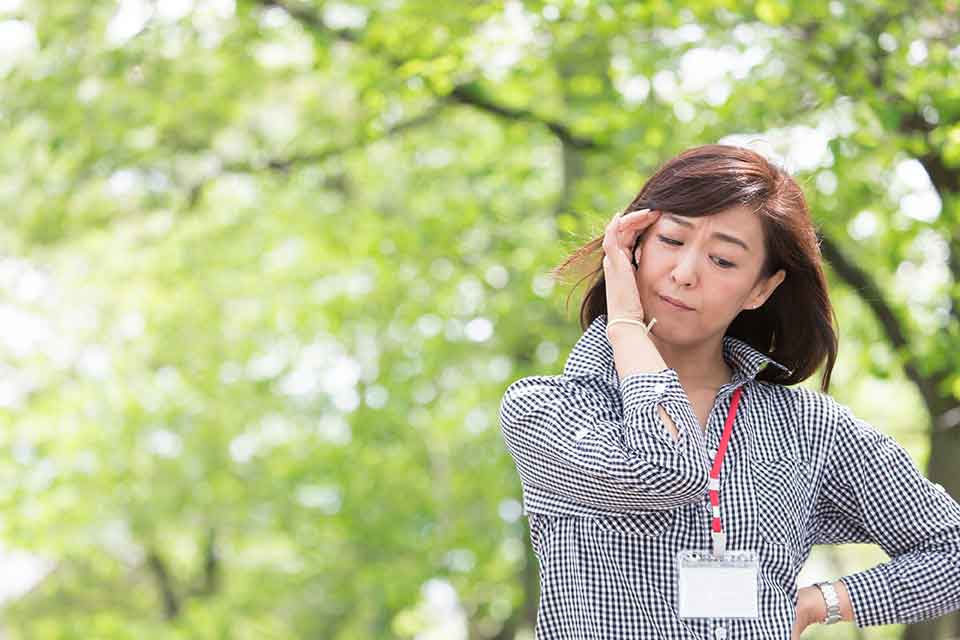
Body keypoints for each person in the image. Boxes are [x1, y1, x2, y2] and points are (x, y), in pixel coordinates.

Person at [498, 144, 960, 639]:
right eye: (672, 239)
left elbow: (950, 549)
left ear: (761, 289)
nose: (685, 273)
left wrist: (820, 602)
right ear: (632, 249)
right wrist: (627, 327)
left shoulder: (808, 427)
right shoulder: (546, 410)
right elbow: (667, 470)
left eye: (722, 259)